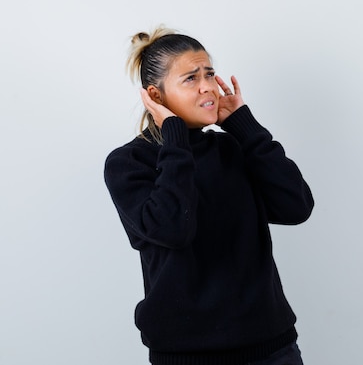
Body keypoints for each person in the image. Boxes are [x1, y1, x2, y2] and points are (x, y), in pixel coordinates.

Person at [104, 26, 314, 365]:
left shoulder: (231, 147)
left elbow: (296, 207)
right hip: (188, 355)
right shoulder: (129, 163)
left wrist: (246, 128)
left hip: (272, 347)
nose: (208, 87)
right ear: (155, 96)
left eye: (210, 74)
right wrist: (175, 139)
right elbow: (173, 229)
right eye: (191, 78)